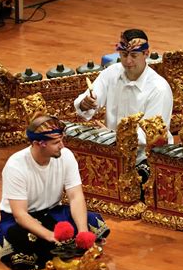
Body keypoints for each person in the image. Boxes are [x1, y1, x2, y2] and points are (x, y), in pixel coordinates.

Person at [0, 114, 110, 270]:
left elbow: (76, 197)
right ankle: (51, 247)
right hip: (20, 221)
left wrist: (83, 232)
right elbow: (20, 215)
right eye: (56, 142)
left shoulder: (66, 156)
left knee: (91, 220)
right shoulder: (15, 166)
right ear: (38, 144)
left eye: (62, 140)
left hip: (53, 213)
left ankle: (55, 247)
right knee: (22, 239)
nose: (62, 145)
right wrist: (50, 236)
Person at [74, 28, 174, 199]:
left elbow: (149, 136)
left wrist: (111, 135)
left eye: (133, 56)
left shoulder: (159, 88)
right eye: (123, 55)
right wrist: (85, 104)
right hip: (113, 150)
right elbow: (86, 105)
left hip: (145, 157)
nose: (127, 62)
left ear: (146, 54)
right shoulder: (111, 73)